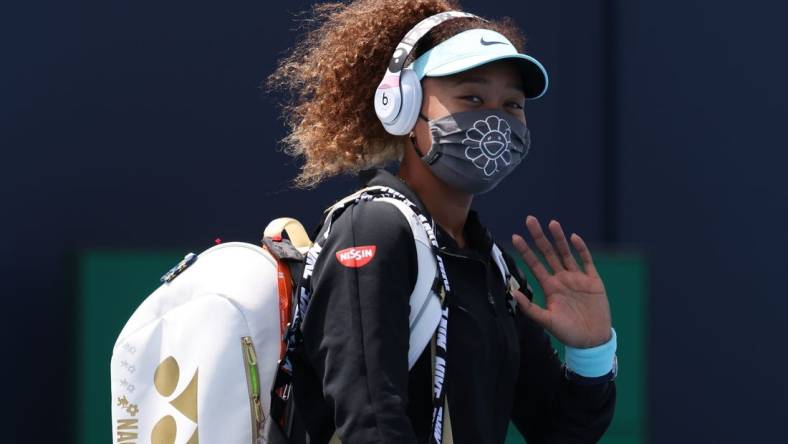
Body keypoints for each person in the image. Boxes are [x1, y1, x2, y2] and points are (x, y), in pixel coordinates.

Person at [265, 1, 617, 443]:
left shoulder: (490, 266)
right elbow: (370, 425)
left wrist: (591, 350)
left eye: (512, 104)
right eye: (472, 97)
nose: (495, 120)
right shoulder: (373, 228)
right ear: (403, 106)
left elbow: (561, 430)